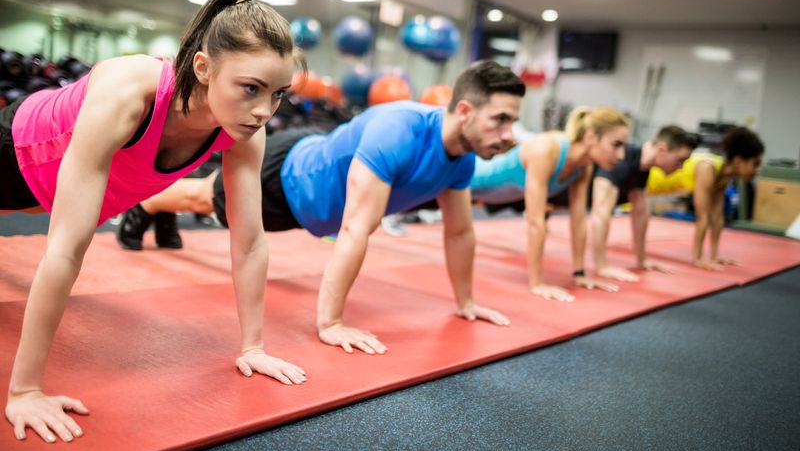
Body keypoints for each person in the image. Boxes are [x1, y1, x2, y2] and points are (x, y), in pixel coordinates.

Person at [0, 0, 307, 445]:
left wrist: (254, 347)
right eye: (250, 88)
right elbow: (65, 248)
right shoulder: (130, 92)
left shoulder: (243, 132)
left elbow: (248, 242)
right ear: (203, 68)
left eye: (278, 94)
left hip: (50, 190)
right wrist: (24, 390)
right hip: (15, 157)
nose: (264, 111)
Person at [118, 60, 526, 355]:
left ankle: (158, 207)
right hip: (287, 177)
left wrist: (466, 302)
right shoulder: (400, 130)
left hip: (310, 192)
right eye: (501, 120)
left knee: (206, 198)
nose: (509, 136)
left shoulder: (464, 158)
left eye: (513, 123)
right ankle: (150, 203)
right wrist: (330, 323)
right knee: (203, 198)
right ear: (466, 111)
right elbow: (354, 229)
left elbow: (458, 232)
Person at [471, 106, 630, 302]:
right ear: (590, 138)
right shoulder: (547, 149)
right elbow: (535, 221)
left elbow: (578, 219)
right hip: (473, 178)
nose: (622, 155)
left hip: (492, 195)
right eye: (616, 144)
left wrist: (579, 273)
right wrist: (537, 283)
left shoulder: (584, 166)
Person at [642, 126, 764, 270]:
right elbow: (702, 218)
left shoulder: (722, 175)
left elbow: (717, 218)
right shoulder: (708, 168)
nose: (757, 170)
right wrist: (698, 259)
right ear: (738, 161)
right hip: (649, 181)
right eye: (754, 164)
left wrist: (714, 256)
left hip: (655, 187)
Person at [591, 125, 698, 282]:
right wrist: (602, 267)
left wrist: (642, 260)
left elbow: (640, 213)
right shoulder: (622, 161)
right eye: (680, 160)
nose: (681, 167)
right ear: (661, 149)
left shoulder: (642, 168)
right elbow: (600, 213)